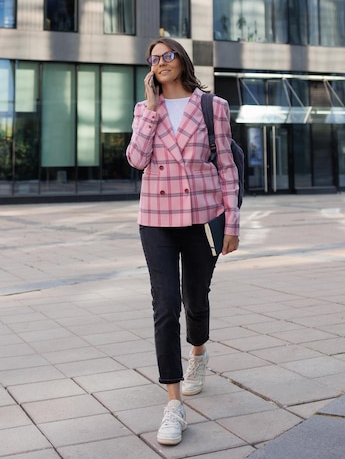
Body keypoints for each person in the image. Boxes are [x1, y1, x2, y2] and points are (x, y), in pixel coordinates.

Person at [126, 37, 240, 446]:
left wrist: (232, 224)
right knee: (165, 305)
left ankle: (198, 354)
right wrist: (152, 110)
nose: (160, 63)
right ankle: (173, 403)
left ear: (181, 59)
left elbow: (226, 166)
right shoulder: (145, 110)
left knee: (196, 297)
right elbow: (136, 160)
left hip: (202, 217)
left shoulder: (214, 107)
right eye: (153, 59)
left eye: (167, 55)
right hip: (155, 218)